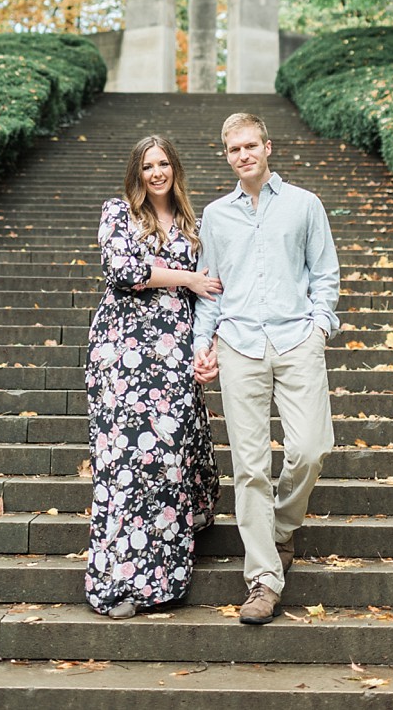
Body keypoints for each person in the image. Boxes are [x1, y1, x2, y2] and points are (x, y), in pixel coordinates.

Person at [193, 111, 339, 625]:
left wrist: (321, 327)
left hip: (297, 339)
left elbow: (324, 273)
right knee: (250, 467)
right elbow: (210, 288)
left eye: (250, 145)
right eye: (234, 149)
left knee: (311, 447)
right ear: (226, 155)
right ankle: (263, 579)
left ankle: (280, 527)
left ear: (268, 147)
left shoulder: (304, 205)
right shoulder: (214, 215)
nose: (243, 155)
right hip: (238, 344)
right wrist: (201, 342)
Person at [85, 134, 221, 619]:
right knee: (124, 462)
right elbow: (121, 268)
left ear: (175, 169)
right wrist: (185, 277)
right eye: (148, 166)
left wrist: (209, 347)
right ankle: (118, 582)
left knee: (164, 459)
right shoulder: (118, 212)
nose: (157, 172)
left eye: (164, 163)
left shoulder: (195, 224)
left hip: (174, 352)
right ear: (136, 173)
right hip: (121, 353)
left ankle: (162, 580)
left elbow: (216, 291)